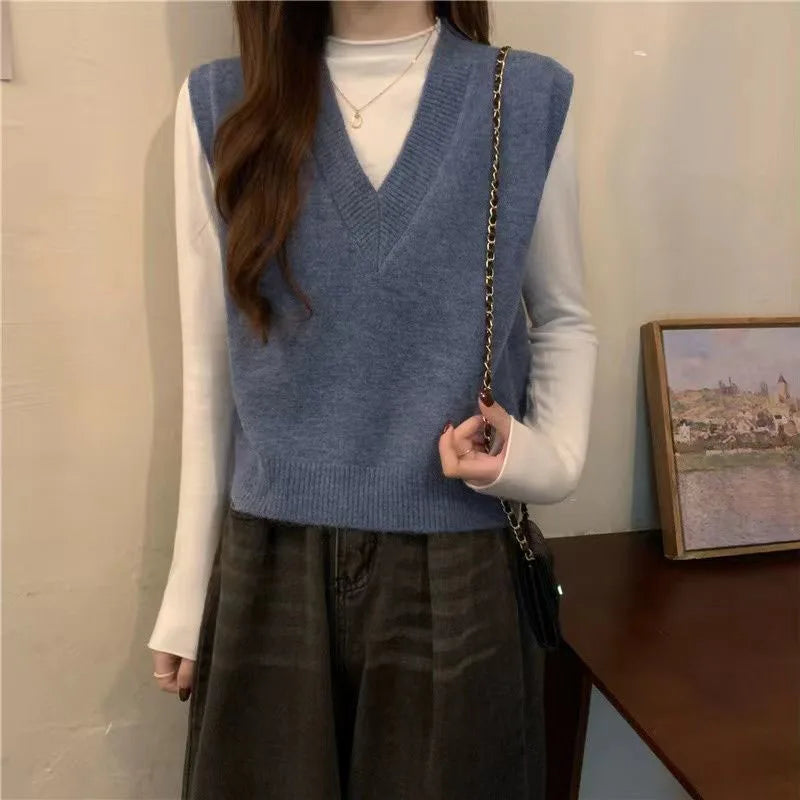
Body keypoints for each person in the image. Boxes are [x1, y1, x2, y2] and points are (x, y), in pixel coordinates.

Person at [148, 2, 598, 798]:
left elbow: (563, 317)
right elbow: (210, 362)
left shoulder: (523, 99)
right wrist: (188, 592)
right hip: (270, 565)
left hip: (459, 558)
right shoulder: (223, 106)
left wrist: (547, 463)